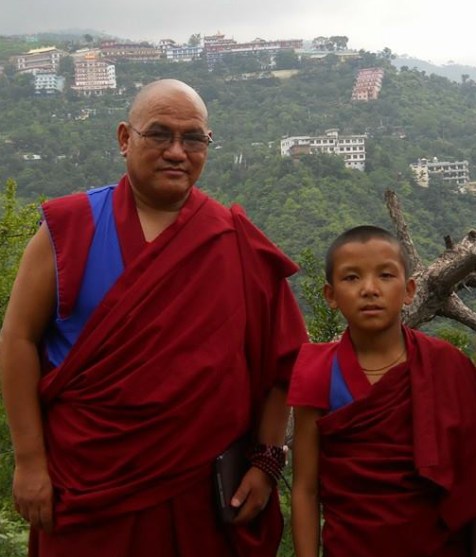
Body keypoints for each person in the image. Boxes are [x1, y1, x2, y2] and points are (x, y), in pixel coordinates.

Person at [0, 79, 308, 557]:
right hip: (85, 485)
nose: (177, 152)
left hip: (201, 494)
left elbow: (282, 362)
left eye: (193, 138)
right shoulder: (70, 228)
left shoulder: (234, 240)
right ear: (125, 138)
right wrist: (29, 461)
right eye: (160, 134)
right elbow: (17, 338)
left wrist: (267, 462)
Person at [288, 225, 476, 557]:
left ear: (409, 290)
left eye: (386, 275)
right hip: (350, 547)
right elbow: (305, 489)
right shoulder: (319, 371)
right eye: (351, 278)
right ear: (330, 296)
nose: (370, 289)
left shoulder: (447, 365)